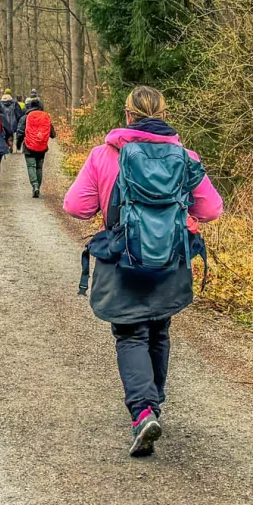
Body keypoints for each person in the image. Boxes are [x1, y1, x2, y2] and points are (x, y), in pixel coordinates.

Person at [64, 86, 223, 457]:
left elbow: (75, 206)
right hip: (171, 260)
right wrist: (182, 218)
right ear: (162, 115)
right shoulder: (185, 157)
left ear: (128, 115)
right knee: (159, 327)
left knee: (130, 333)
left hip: (123, 261)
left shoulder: (105, 156)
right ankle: (154, 402)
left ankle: (143, 411)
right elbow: (212, 209)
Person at [21, 96, 52, 197]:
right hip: (41, 146)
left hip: (29, 146)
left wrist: (18, 143)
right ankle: (38, 186)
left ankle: (34, 185)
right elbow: (52, 133)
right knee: (39, 167)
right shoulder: (45, 116)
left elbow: (20, 131)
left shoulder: (26, 117)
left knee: (31, 166)